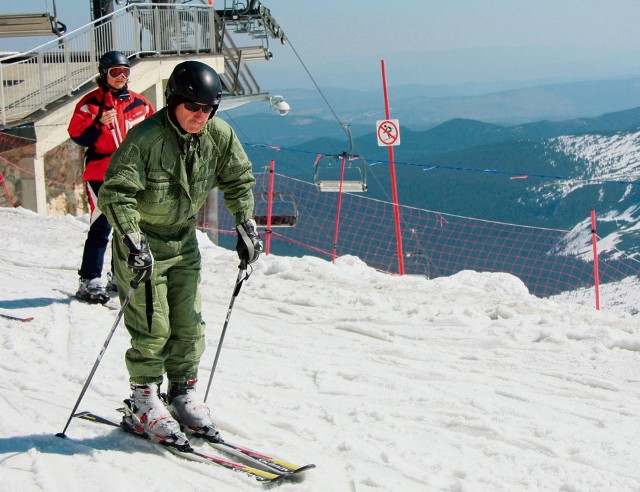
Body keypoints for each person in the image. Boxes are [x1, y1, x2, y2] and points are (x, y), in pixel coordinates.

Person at [97, 60, 263, 448]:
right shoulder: (146, 139)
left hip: (183, 240)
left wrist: (245, 224)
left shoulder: (218, 135)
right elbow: (115, 192)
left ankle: (183, 392)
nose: (200, 115)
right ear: (173, 101)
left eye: (208, 109)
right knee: (153, 325)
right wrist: (132, 238)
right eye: (192, 107)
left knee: (188, 322)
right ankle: (143, 398)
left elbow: (238, 178)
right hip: (143, 242)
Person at [67, 51, 155, 304]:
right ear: (104, 73)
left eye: (125, 72)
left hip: (131, 173)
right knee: (101, 224)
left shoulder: (139, 104)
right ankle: (90, 278)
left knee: (128, 225)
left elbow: (152, 135)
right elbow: (77, 135)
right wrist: (98, 123)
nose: (121, 77)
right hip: (100, 171)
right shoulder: (91, 104)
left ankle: (120, 273)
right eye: (115, 72)